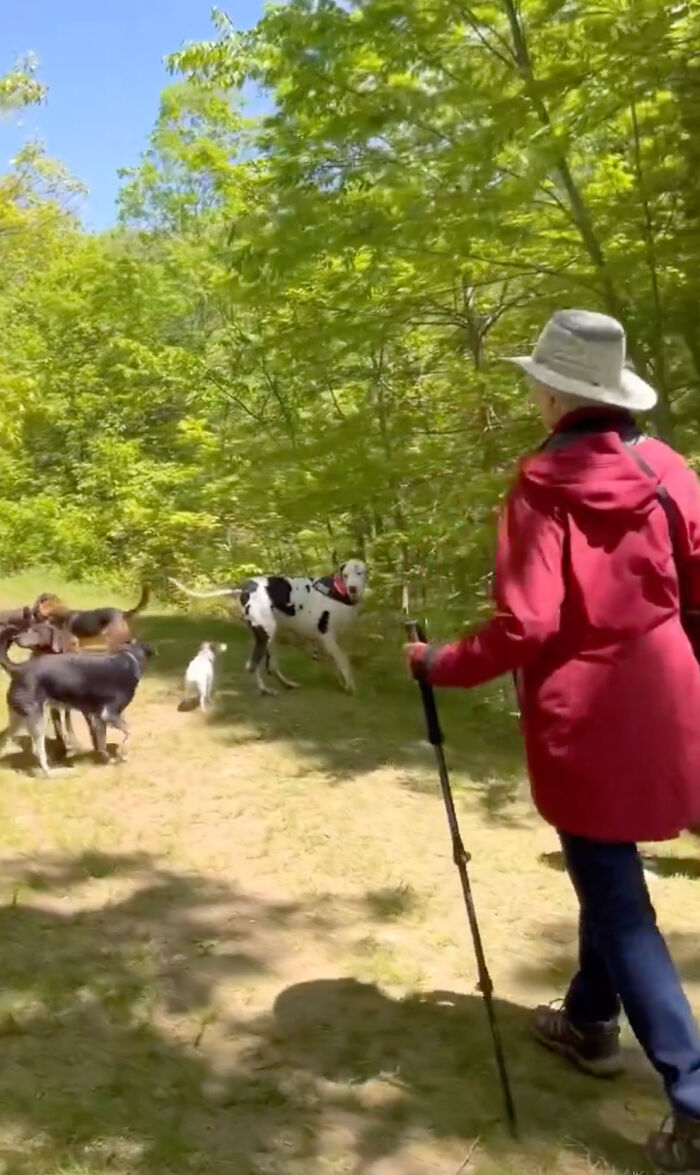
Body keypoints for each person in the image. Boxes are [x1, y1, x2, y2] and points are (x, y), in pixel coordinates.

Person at [405, 309, 700, 1172]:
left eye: (537, 379)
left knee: (616, 898)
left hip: (586, 711)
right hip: (672, 697)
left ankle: (691, 1099)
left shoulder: (541, 481)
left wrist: (436, 660)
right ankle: (590, 1021)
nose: (532, 390)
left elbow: (526, 624)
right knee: (605, 875)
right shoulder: (668, 469)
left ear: (558, 392)